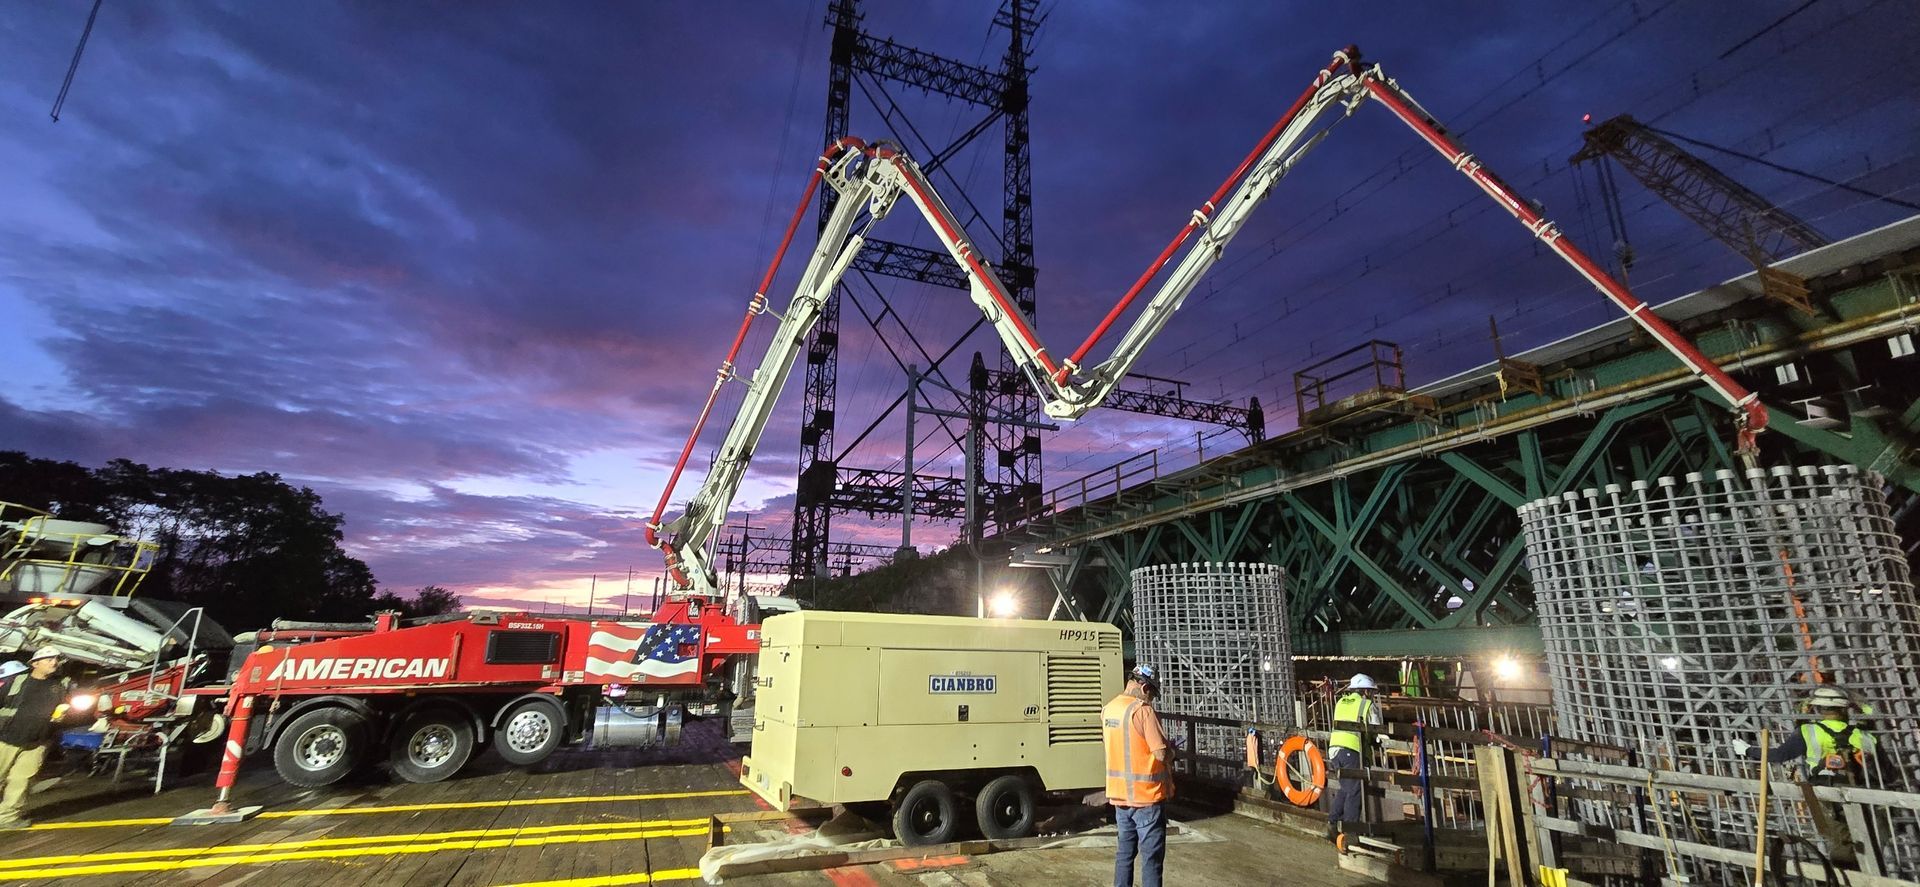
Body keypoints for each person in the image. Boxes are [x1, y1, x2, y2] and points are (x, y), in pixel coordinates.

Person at [1104, 664, 1172, 887]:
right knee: (1151, 860)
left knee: (1124, 855)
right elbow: (1161, 753)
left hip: (1120, 799)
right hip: (1147, 799)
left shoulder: (1109, 709)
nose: (1152, 698)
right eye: (1152, 693)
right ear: (1144, 687)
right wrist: (1173, 753)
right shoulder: (1143, 711)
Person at [1736, 685, 1876, 782]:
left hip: (1825, 787)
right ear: (1845, 708)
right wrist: (1855, 701)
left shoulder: (1808, 731)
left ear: (1819, 709)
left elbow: (1780, 755)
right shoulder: (1861, 734)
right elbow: (1870, 713)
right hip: (1862, 787)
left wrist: (1748, 750)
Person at [1, 648, 73, 828]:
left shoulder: (62, 685)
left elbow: (68, 711)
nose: (54, 662)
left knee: (21, 781)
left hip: (38, 742)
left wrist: (63, 718)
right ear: (35, 664)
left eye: (56, 659)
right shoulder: (17, 682)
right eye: (48, 659)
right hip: (6, 738)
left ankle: (6, 818)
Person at [1326, 673, 1384, 844]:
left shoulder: (1341, 702)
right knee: (1355, 790)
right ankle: (1350, 833)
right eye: (1371, 692)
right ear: (1366, 691)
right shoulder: (1367, 705)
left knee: (1346, 788)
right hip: (1352, 749)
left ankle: (1333, 822)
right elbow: (1376, 730)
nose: (1372, 695)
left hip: (1335, 750)